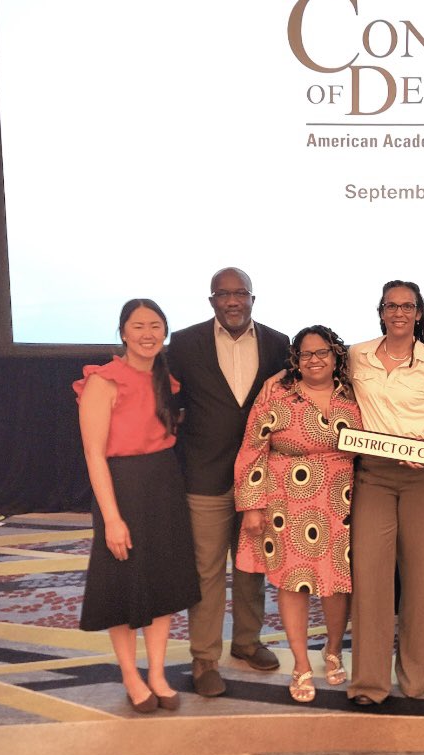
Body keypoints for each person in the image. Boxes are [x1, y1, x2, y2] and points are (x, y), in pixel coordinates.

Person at [166, 268, 289, 697]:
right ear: (212, 300)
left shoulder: (278, 343)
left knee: (253, 567)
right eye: (224, 294)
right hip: (205, 475)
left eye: (240, 293)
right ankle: (204, 660)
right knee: (207, 571)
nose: (233, 301)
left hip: (261, 478)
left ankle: (247, 642)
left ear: (253, 298)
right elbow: (169, 404)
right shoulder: (183, 344)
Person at [73, 299, 200, 713]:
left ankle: (158, 672)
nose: (148, 333)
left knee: (163, 581)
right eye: (138, 325)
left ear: (165, 331)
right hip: (121, 488)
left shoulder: (167, 379)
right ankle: (131, 674)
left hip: (164, 483)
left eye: (156, 325)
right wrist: (112, 518)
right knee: (122, 584)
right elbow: (94, 454)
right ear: (123, 332)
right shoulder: (103, 380)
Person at [234, 326, 361, 703]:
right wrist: (253, 505)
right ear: (295, 360)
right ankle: (301, 663)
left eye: (322, 352)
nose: (315, 360)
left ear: (337, 355)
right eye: (306, 354)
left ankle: (333, 650)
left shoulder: (354, 394)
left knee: (337, 583)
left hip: (343, 501)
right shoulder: (277, 395)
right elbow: (252, 448)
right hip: (286, 501)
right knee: (294, 583)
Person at [347, 280, 424, 705]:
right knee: (371, 580)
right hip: (373, 475)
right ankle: (369, 684)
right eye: (391, 305)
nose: (398, 312)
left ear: (418, 313)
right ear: (381, 311)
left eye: (407, 306)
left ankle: (414, 677)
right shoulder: (356, 355)